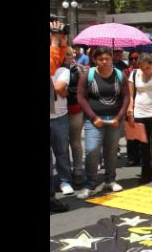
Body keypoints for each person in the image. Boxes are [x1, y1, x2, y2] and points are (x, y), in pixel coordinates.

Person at [76, 47, 130, 199]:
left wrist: (119, 118)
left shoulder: (119, 75)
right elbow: (81, 97)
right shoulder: (88, 75)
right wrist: (94, 117)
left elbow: (126, 97)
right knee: (92, 150)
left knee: (111, 151)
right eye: (101, 59)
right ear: (95, 60)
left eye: (107, 59)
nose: (104, 62)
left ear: (112, 59)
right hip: (94, 120)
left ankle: (110, 180)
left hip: (114, 119)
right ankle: (90, 184)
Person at [127, 53, 152, 185]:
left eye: (148, 68)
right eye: (142, 68)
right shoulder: (134, 74)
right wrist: (130, 111)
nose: (145, 71)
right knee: (143, 145)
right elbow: (131, 95)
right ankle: (146, 171)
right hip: (139, 113)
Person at [51, 54, 74, 196]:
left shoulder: (63, 71)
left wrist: (61, 91)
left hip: (59, 117)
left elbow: (60, 87)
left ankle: (65, 181)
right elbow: (60, 90)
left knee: (62, 152)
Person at [65, 47, 86, 187]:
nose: (70, 56)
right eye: (66, 54)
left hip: (75, 110)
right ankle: (65, 173)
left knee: (75, 142)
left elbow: (82, 90)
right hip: (57, 112)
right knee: (60, 145)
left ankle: (78, 171)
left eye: (70, 53)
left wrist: (65, 90)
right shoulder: (54, 67)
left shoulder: (78, 69)